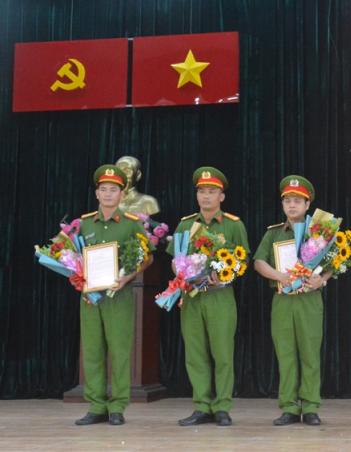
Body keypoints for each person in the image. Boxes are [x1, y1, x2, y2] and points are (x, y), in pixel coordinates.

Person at [167, 167, 250, 427]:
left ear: (221, 196)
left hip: (220, 296)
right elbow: (175, 259)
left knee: (222, 353)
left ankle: (222, 407)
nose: (206, 197)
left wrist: (226, 275)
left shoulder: (233, 225)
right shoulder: (185, 224)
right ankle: (202, 406)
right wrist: (180, 273)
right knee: (195, 353)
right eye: (201, 192)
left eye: (211, 192)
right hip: (192, 297)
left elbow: (243, 258)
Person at [74, 165, 154, 426]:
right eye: (103, 189)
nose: (108, 194)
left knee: (120, 351)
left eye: (114, 190)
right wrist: (75, 274)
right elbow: (72, 259)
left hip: (119, 296)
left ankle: (118, 406)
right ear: (96, 193)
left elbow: (147, 256)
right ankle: (96, 406)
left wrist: (128, 276)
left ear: (122, 195)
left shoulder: (131, 225)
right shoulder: (84, 223)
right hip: (90, 298)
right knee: (93, 351)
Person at [254, 175, 331, 426]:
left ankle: (310, 407)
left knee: (310, 353)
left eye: (298, 201)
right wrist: (280, 276)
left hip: (309, 299)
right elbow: (258, 261)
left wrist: (324, 279)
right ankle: (288, 406)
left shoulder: (320, 232)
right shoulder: (274, 233)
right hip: (282, 299)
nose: (292, 205)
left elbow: (336, 263)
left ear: (308, 205)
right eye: (288, 200)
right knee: (285, 353)